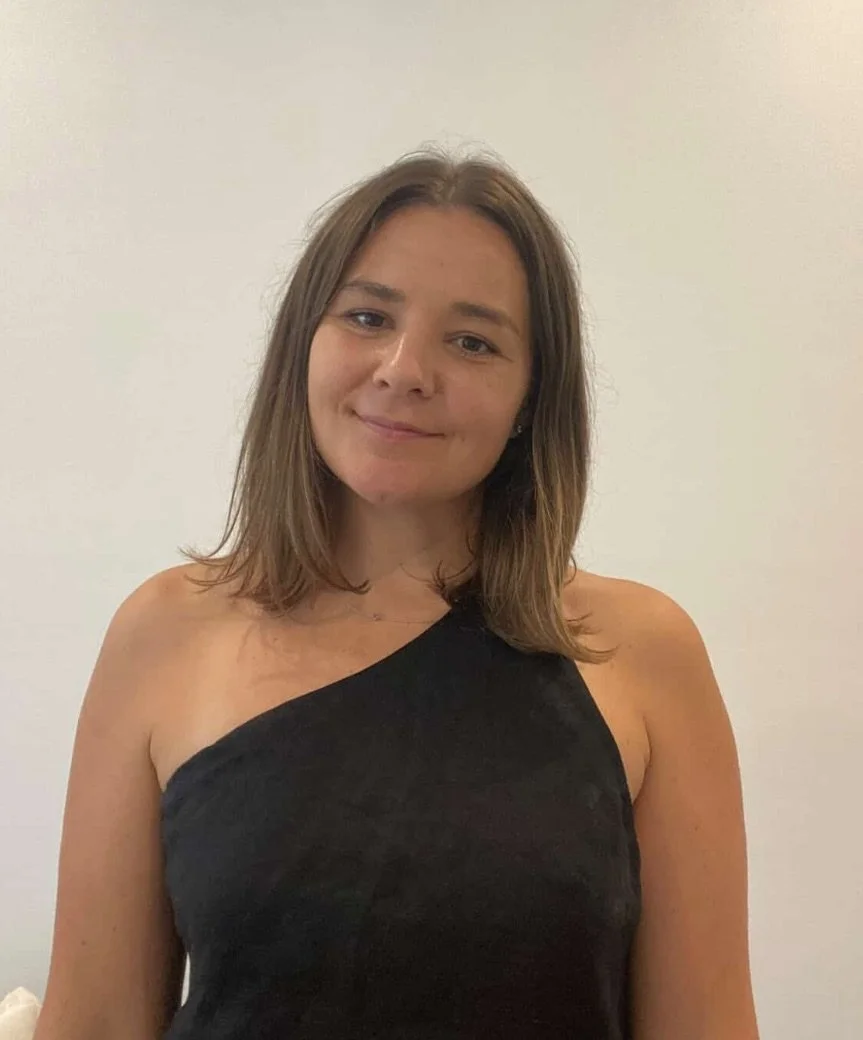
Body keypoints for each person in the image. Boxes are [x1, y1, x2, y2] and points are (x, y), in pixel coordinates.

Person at [34, 148, 759, 1039]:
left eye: (472, 340)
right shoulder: (165, 631)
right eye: (369, 316)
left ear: (533, 395)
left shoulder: (639, 651)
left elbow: (705, 1027)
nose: (405, 368)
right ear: (306, 342)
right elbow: (96, 1022)